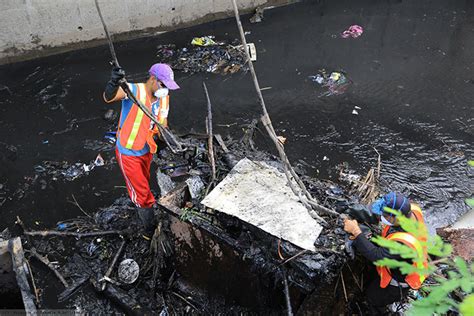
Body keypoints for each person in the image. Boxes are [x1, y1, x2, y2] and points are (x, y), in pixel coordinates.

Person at [103, 63, 180, 228]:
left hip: (147, 150)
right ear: (153, 79)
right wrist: (113, 82)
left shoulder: (164, 97)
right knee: (142, 194)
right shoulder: (134, 90)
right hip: (128, 153)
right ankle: (149, 229)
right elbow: (109, 97)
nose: (165, 90)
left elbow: (162, 124)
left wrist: (168, 142)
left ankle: (146, 208)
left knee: (145, 182)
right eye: (163, 84)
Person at [343, 192, 428, 314]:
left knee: (373, 299)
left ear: (396, 218)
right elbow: (377, 215)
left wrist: (356, 231)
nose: (382, 216)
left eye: (385, 215)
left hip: (398, 283)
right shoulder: (412, 210)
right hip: (403, 260)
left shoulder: (402, 242)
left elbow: (376, 256)